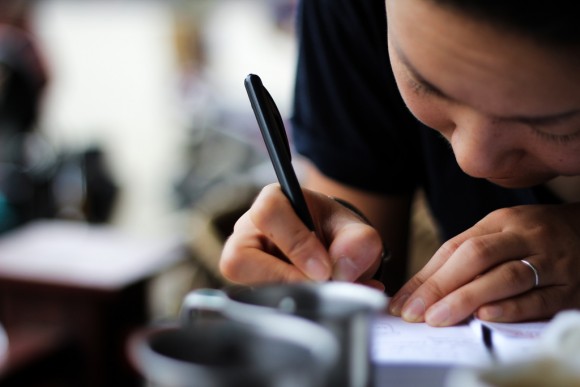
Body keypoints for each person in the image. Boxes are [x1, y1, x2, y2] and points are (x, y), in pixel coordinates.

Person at [220, 0, 580, 327]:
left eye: (559, 129)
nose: (472, 161)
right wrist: (335, 248)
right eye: (424, 86)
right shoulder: (354, 11)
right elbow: (360, 288)